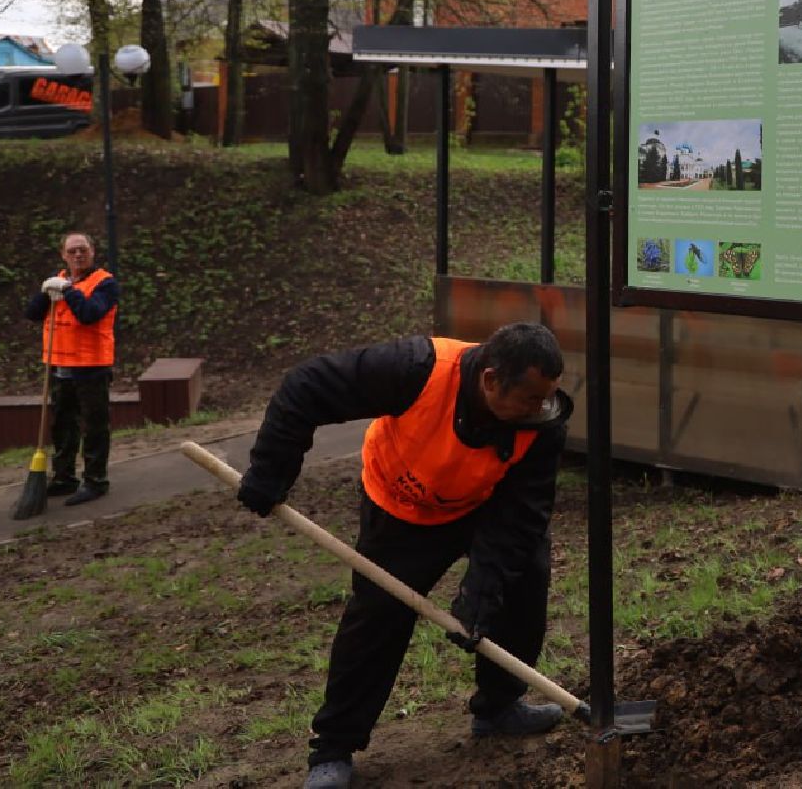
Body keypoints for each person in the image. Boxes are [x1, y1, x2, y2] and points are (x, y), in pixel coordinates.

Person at [234, 323, 574, 789]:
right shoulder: (418, 369)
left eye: (546, 398)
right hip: (400, 508)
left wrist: (481, 592)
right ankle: (334, 746)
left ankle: (499, 707)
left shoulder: (542, 421)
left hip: (484, 504)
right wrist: (271, 471)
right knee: (376, 618)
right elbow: (306, 386)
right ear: (491, 380)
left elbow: (522, 516)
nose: (540, 409)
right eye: (530, 399)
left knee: (522, 580)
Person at [23, 231, 119, 506]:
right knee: (62, 425)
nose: (78, 255)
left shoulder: (105, 284)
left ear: (92, 252)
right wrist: (45, 293)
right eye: (72, 251)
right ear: (63, 255)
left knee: (94, 426)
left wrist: (68, 291)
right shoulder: (58, 281)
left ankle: (95, 481)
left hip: (91, 367)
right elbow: (31, 314)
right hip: (59, 367)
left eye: (83, 250)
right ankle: (64, 478)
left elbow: (89, 314)